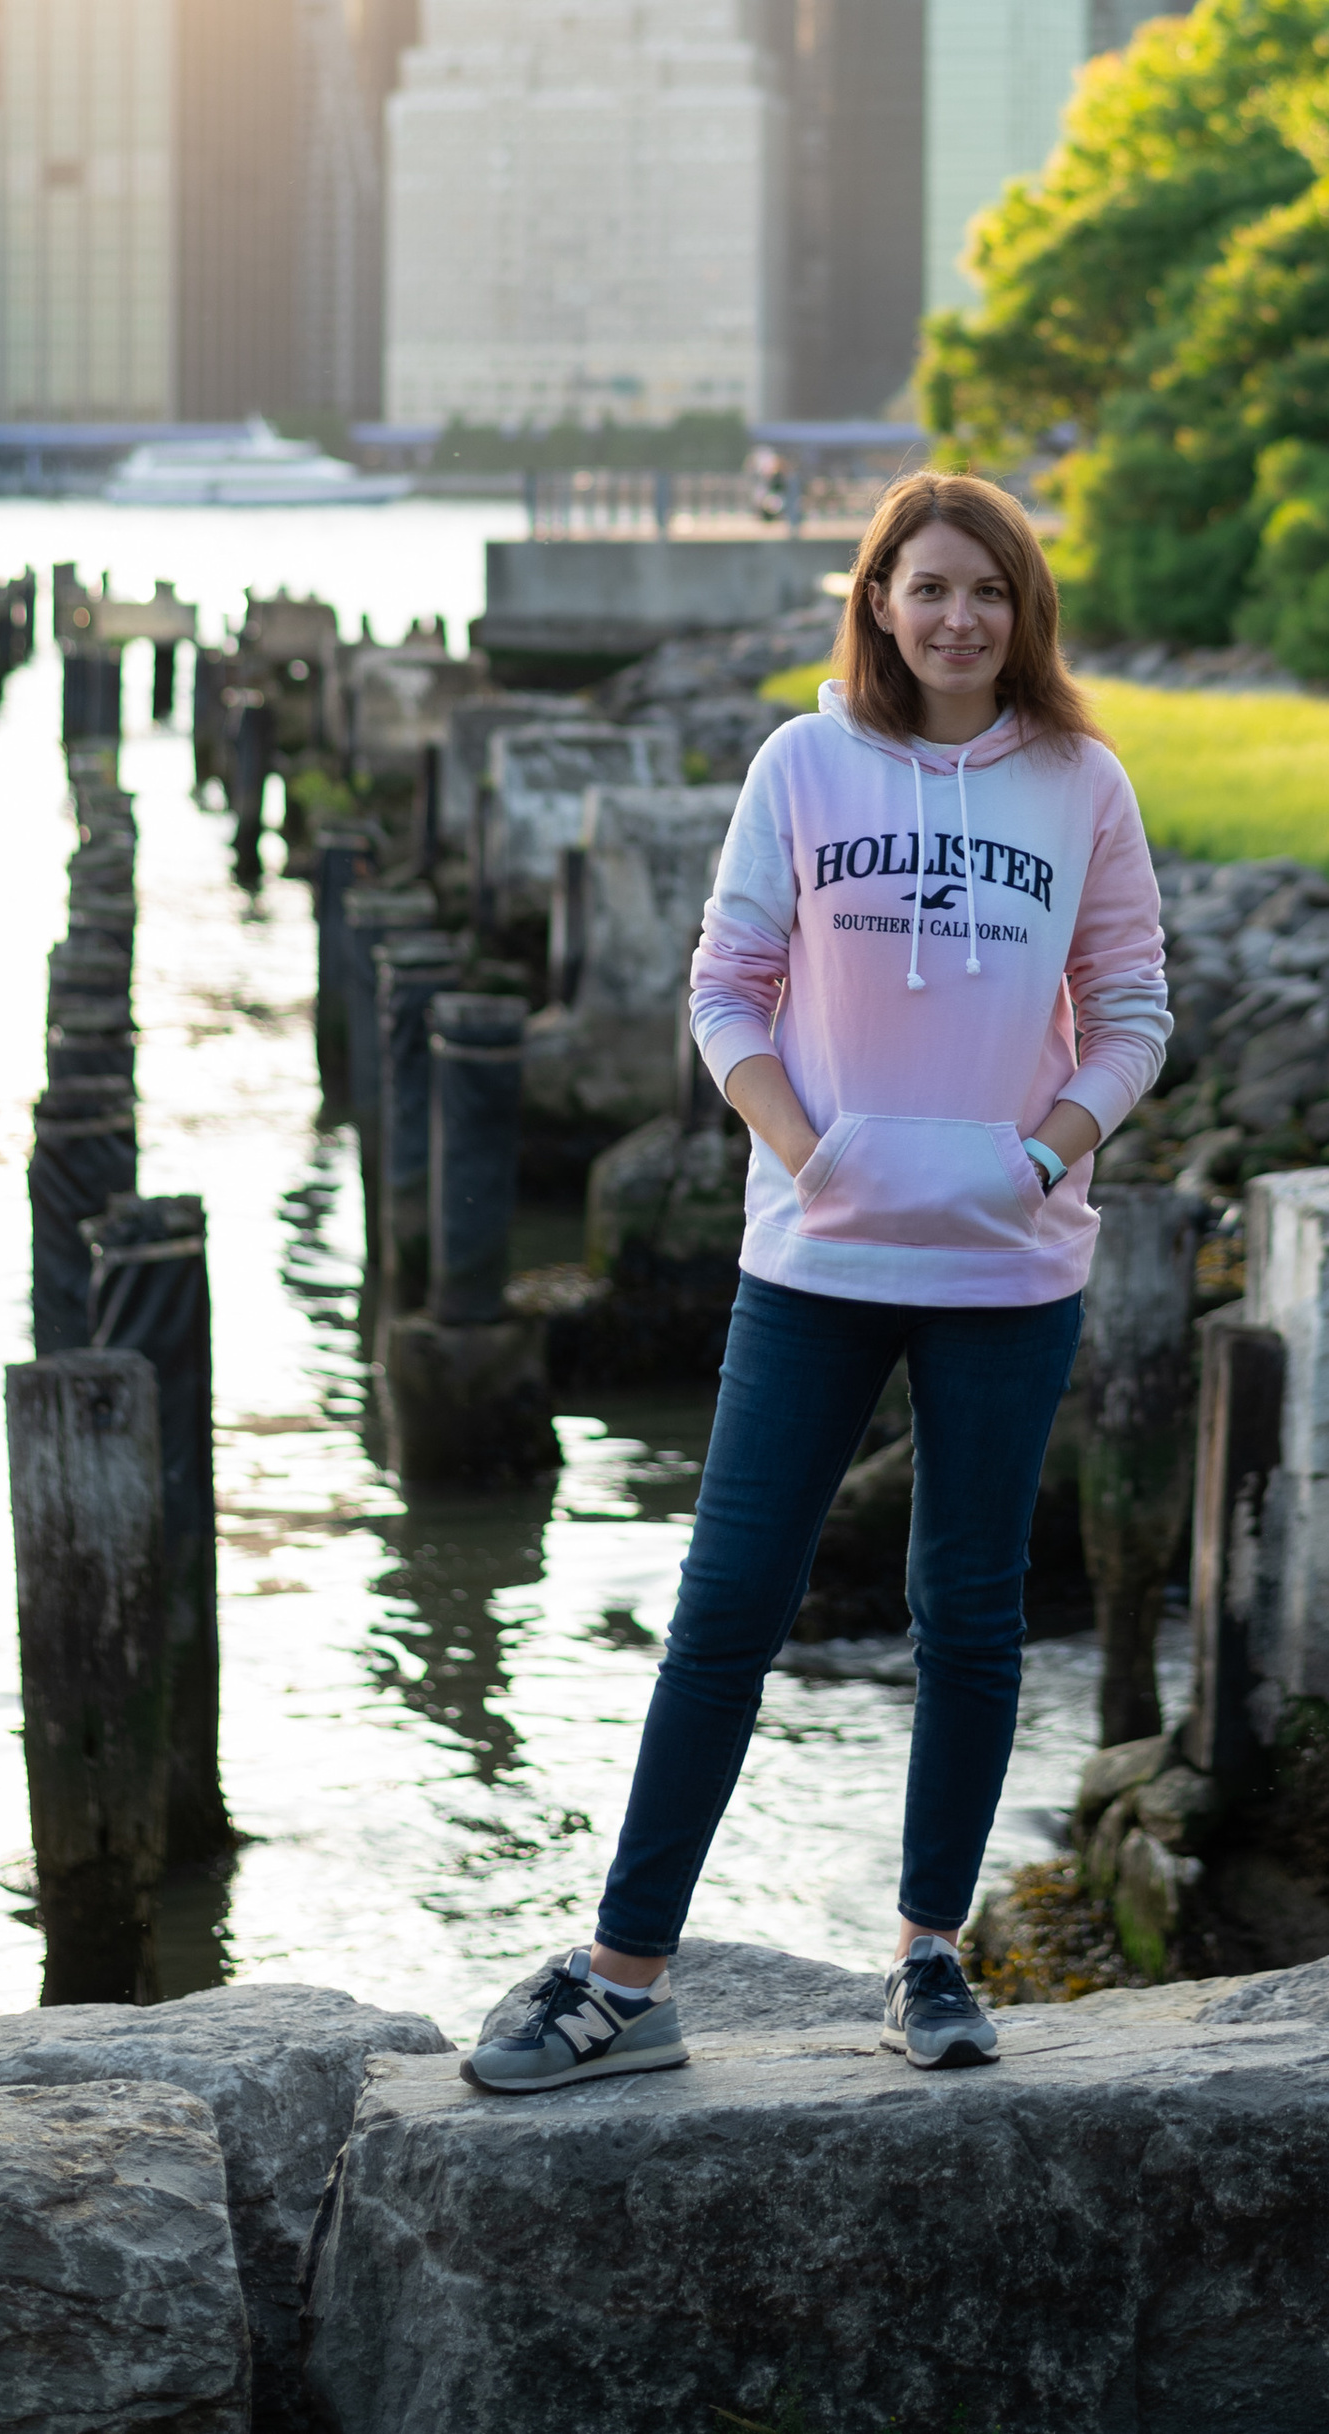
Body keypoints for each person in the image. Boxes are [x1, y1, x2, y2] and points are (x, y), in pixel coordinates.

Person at [466, 469, 1170, 2089]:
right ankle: (627, 1976)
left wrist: (1043, 1152)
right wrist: (808, 1147)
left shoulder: (1082, 781)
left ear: (1025, 610)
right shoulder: (804, 763)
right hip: (819, 1251)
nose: (957, 615)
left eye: (987, 590)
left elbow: (1132, 1006)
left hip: (1009, 1262)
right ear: (876, 600)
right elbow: (727, 987)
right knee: (725, 1609)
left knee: (969, 1617)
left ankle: (931, 1957)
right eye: (927, 585)